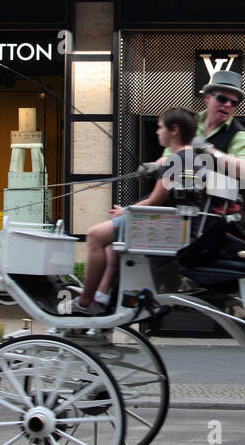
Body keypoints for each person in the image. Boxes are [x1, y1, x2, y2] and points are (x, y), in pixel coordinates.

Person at [62, 107, 200, 315]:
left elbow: (155, 200)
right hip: (175, 226)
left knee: (95, 235)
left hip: (164, 227)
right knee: (111, 246)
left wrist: (125, 212)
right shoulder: (192, 158)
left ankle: (85, 302)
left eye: (161, 127)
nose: (157, 132)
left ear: (175, 130)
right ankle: (101, 294)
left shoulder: (176, 160)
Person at [167, 70, 245, 186]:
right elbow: (169, 157)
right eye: (222, 99)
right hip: (180, 194)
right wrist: (155, 165)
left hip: (216, 202)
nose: (228, 105)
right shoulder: (188, 122)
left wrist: (209, 150)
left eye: (234, 102)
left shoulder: (238, 134)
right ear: (207, 98)